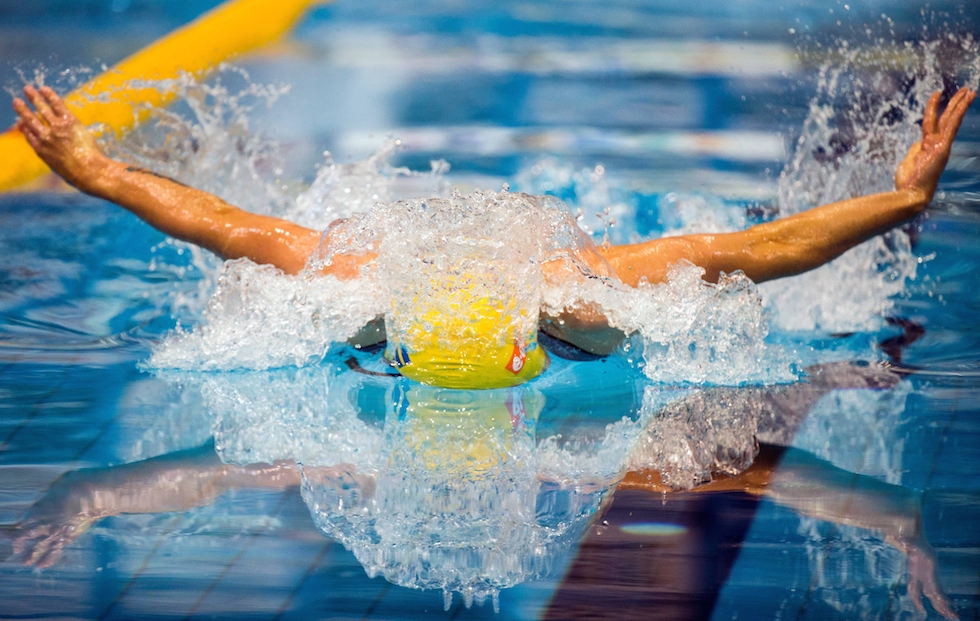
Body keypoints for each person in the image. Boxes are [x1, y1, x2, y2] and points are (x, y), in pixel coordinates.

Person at [11, 84, 977, 385]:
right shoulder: (356, 275)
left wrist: (898, 203)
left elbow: (755, 253)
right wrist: (91, 171)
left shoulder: (579, 288)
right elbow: (219, 223)